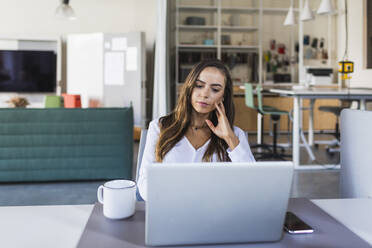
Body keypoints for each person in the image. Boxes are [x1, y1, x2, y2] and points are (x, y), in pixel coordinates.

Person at [138, 59, 255, 201]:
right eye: (199, 86)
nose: (205, 94)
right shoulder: (159, 127)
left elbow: (252, 184)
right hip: (171, 210)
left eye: (215, 89)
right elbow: (144, 185)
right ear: (189, 87)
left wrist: (229, 138)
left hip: (216, 214)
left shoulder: (235, 135)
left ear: (223, 97)